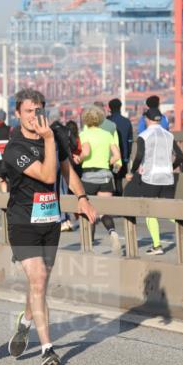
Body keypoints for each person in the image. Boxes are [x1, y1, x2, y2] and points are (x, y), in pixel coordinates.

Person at [3, 89, 98, 365]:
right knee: (39, 279)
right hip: (23, 223)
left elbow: (67, 171)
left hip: (50, 222)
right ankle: (48, 350)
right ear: (18, 114)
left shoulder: (55, 136)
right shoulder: (14, 148)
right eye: (28, 111)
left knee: (39, 284)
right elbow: (46, 175)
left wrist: (83, 198)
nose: (34, 116)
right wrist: (47, 140)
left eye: (38, 110)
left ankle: (26, 321)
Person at [125, 109, 183, 255]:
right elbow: (180, 156)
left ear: (147, 119)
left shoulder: (144, 135)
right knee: (167, 208)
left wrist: (132, 171)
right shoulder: (169, 135)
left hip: (150, 178)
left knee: (150, 211)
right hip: (168, 178)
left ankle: (157, 246)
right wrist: (170, 168)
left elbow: (139, 155)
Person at [79, 105, 123, 255]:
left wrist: (79, 158)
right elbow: (117, 155)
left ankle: (89, 244)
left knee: (88, 212)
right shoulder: (107, 134)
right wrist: (108, 162)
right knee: (104, 211)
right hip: (105, 177)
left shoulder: (84, 134)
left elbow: (86, 151)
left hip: (89, 176)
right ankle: (113, 232)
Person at [106, 98, 134, 195]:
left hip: (109, 158)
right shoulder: (126, 122)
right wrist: (127, 156)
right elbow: (130, 141)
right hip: (121, 158)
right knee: (118, 181)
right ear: (120, 107)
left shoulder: (107, 121)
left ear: (110, 108)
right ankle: (118, 199)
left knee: (108, 181)